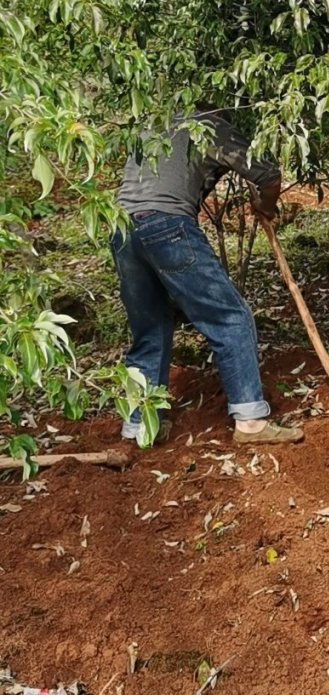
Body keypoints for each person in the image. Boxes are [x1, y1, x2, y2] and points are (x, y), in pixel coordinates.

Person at [111, 110, 304, 447]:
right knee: (230, 317)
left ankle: (140, 426)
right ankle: (251, 423)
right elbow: (267, 174)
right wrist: (266, 206)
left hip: (121, 229)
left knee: (151, 327)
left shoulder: (156, 122)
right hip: (167, 225)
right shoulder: (210, 125)